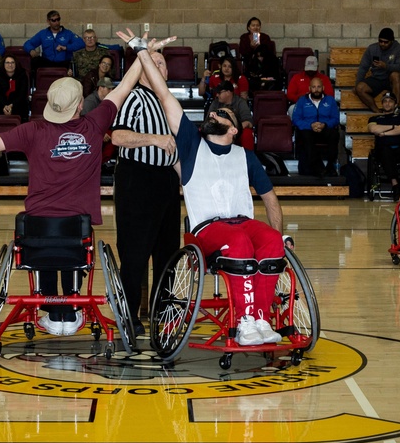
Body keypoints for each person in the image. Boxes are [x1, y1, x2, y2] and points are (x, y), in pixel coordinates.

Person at [0, 35, 163, 336]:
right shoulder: (94, 124)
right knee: (74, 247)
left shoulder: (33, 130)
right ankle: (72, 308)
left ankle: (50, 310)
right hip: (77, 227)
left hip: (37, 228)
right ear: (80, 105)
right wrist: (143, 52)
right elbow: (126, 85)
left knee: (44, 247)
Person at [124, 27, 291, 347]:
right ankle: (243, 321)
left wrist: (279, 232)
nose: (216, 113)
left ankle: (259, 316)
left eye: (224, 114)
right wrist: (141, 51)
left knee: (270, 240)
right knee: (240, 240)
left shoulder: (245, 156)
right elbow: (164, 95)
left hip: (242, 225)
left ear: (233, 129)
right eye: (214, 112)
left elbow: (270, 199)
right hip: (207, 230)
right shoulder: (191, 145)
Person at [112, 50, 181, 332]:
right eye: (152, 62)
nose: (158, 66)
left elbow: (174, 151)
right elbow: (118, 136)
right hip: (138, 179)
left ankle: (161, 313)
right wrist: (154, 139)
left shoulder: (169, 104)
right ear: (141, 72)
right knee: (135, 253)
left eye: (162, 62)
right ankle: (128, 316)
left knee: (168, 253)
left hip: (167, 180)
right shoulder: (135, 97)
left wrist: (189, 185)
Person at [291, 76, 340, 177]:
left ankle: (330, 166)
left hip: (325, 128)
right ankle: (318, 167)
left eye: (318, 87)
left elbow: (336, 119)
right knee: (304, 135)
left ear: (323, 88)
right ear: (309, 88)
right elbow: (296, 119)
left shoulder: (330, 100)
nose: (316, 89)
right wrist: (310, 125)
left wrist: (324, 125)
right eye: (313, 87)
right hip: (309, 129)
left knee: (335, 134)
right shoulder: (302, 101)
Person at [367, 91, 400, 200]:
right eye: (385, 101)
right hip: (382, 151)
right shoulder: (374, 119)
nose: (387, 103)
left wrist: (384, 133)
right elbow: (373, 129)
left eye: (390, 101)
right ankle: (396, 185)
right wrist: (394, 127)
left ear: (395, 104)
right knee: (385, 151)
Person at [353, 27, 400, 112]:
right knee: (360, 88)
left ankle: (396, 108)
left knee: (395, 75)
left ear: (392, 41)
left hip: (391, 79)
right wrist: (357, 83)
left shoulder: (399, 49)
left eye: (386, 42)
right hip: (377, 78)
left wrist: (386, 66)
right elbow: (363, 67)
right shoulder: (372, 48)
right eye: (380, 41)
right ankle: (377, 112)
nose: (382, 44)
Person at [211, 80, 254, 149]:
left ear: (228, 92)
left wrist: (234, 129)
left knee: (247, 133)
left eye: (219, 93)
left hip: (236, 132)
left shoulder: (240, 102)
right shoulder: (215, 103)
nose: (217, 95)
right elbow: (209, 120)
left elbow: (248, 122)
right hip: (219, 130)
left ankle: (248, 156)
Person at [0, 53, 30, 121]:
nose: (10, 65)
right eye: (7, 63)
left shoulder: (23, 75)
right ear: (3, 64)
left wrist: (11, 105)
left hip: (17, 104)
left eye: (12, 62)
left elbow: (22, 94)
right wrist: (5, 106)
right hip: (1, 104)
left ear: (16, 64)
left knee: (23, 106)